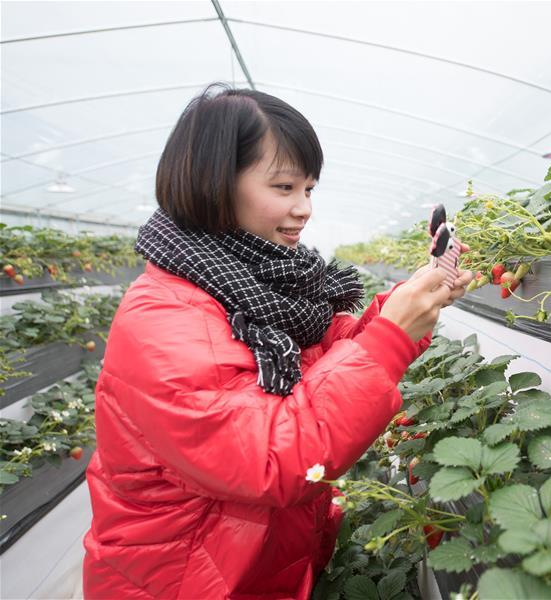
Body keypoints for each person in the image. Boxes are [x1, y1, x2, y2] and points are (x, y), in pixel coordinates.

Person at [82, 83, 474, 599]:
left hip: (253, 568)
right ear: (215, 184)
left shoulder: (256, 282)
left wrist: (400, 309)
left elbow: (321, 364)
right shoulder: (162, 319)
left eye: (309, 189)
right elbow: (276, 458)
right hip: (182, 583)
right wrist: (390, 338)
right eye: (285, 187)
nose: (304, 207)